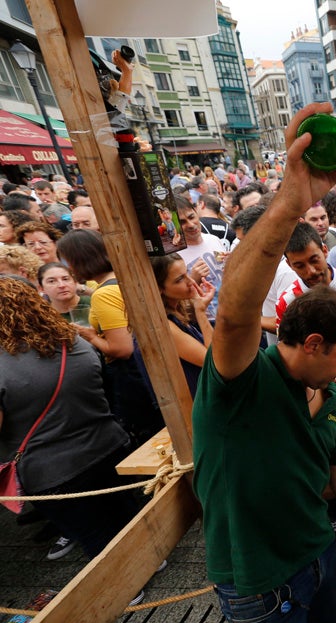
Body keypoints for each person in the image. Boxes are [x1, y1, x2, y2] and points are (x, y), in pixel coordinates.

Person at [192, 103, 336, 623]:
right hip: (260, 581)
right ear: (312, 344)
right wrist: (291, 201)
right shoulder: (239, 381)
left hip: (319, 556)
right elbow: (234, 316)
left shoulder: (329, 392)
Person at [0, 276, 143, 591]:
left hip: (53, 471)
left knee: (94, 535)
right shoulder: (73, 341)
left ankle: (128, 590)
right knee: (125, 514)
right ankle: (150, 559)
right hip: (109, 445)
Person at [56, 230, 163, 446]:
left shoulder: (103, 294)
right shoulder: (121, 278)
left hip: (133, 378)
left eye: (67, 261)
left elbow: (122, 348)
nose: (68, 267)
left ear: (80, 259)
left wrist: (90, 336)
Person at [150, 253, 215, 398]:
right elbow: (215, 363)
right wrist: (201, 312)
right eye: (180, 279)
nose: (191, 281)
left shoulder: (178, 309)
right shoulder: (164, 326)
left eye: (186, 273)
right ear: (159, 288)